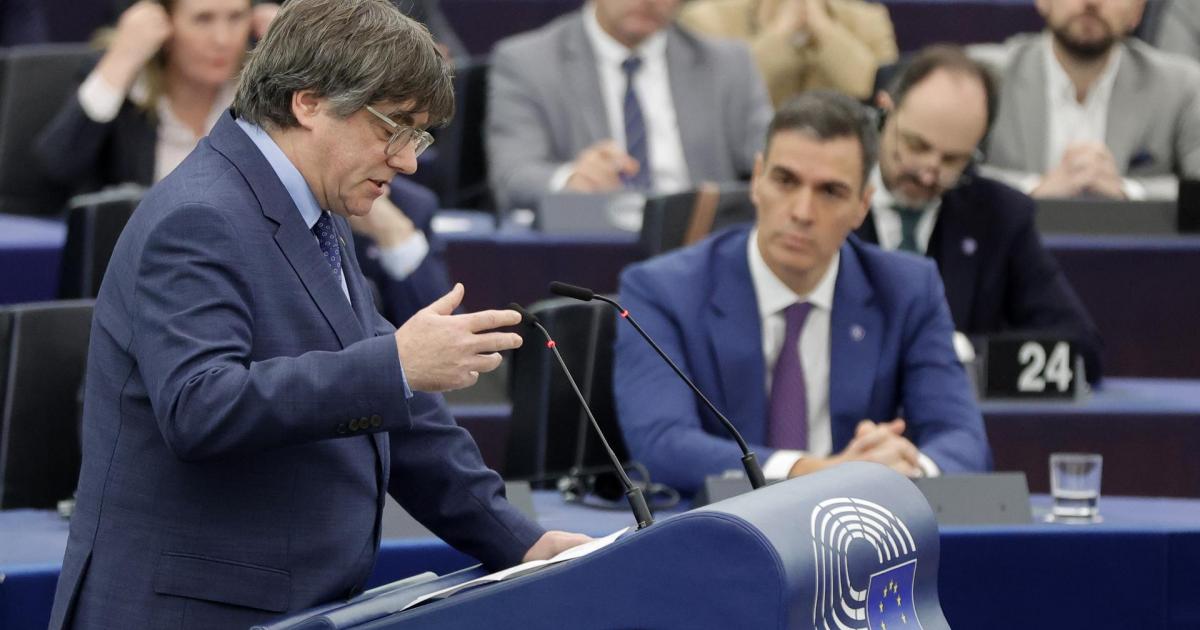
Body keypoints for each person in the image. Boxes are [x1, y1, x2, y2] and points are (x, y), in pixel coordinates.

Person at [47, 1, 588, 627]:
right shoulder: (200, 216)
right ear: (308, 102)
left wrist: (520, 542)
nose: (408, 160)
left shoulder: (314, 208)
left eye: (419, 136)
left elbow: (399, 412)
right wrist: (397, 366)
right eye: (395, 128)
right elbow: (199, 406)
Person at [613, 91, 991, 495]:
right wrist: (822, 473)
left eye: (830, 192)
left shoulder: (908, 290)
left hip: (857, 544)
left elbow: (963, 441)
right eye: (785, 181)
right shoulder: (661, 290)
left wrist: (903, 468)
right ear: (757, 179)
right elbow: (661, 444)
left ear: (863, 204)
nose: (802, 212)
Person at [854, 45, 1103, 383]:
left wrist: (965, 353)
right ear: (884, 111)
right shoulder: (828, 193)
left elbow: (1079, 347)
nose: (929, 173)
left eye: (953, 160)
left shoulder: (1000, 217)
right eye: (917, 145)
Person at [485, 0, 773, 212]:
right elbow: (513, 176)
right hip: (593, 247)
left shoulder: (729, 65)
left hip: (699, 249)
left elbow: (771, 165)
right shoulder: (528, 62)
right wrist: (572, 179)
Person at [35, 0, 274, 191]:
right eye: (203, 19)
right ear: (164, 24)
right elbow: (56, 169)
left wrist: (289, 51)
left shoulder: (261, 88)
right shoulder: (130, 86)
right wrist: (121, 59)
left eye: (236, 17)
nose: (222, 39)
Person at [972, 0, 1200, 200]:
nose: (1092, 2)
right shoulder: (982, 76)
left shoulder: (1183, 85)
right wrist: (1034, 189)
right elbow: (954, 177)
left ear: (1137, 10)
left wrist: (1129, 191)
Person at [678, 0, 898, 106]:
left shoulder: (870, 20)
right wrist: (781, 32)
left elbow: (882, 93)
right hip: (746, 165)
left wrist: (825, 30)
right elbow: (717, 98)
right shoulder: (707, 19)